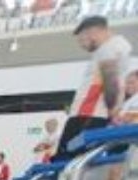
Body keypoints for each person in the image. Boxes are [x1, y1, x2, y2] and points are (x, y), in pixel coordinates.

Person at [54, 16, 132, 162]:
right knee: (72, 159)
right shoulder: (113, 47)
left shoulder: (109, 47)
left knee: (66, 159)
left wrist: (112, 112)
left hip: (87, 115)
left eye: (82, 40)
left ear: (93, 32)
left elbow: (111, 80)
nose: (82, 45)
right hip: (88, 114)